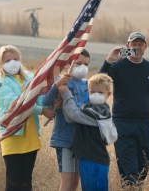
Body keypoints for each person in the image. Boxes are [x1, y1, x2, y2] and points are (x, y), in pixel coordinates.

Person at [99, 31, 149, 189]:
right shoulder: (118, 67)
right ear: (128, 46)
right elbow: (99, 82)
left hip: (145, 125)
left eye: (140, 45)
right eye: (133, 45)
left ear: (145, 47)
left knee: (143, 170)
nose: (137, 48)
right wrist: (108, 60)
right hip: (123, 125)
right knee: (129, 174)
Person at [0, 45, 56, 191]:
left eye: (15, 59)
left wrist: (53, 99)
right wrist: (42, 111)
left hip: (30, 135)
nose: (13, 62)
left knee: (26, 182)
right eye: (8, 60)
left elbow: (39, 98)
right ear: (1, 63)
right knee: (13, 181)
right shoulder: (0, 82)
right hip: (12, 134)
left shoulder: (30, 77)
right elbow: (17, 105)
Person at [42, 49, 90, 191]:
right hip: (65, 139)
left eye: (86, 64)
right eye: (78, 63)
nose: (82, 67)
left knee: (75, 181)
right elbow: (45, 101)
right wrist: (56, 86)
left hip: (81, 139)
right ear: (70, 64)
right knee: (67, 182)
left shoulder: (87, 84)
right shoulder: (63, 81)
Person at [58, 73, 114, 191]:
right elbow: (71, 117)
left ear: (108, 95)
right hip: (86, 158)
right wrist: (62, 101)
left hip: (95, 159)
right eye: (92, 92)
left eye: (100, 92)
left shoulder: (101, 111)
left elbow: (74, 114)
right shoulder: (88, 107)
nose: (95, 95)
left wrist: (67, 95)